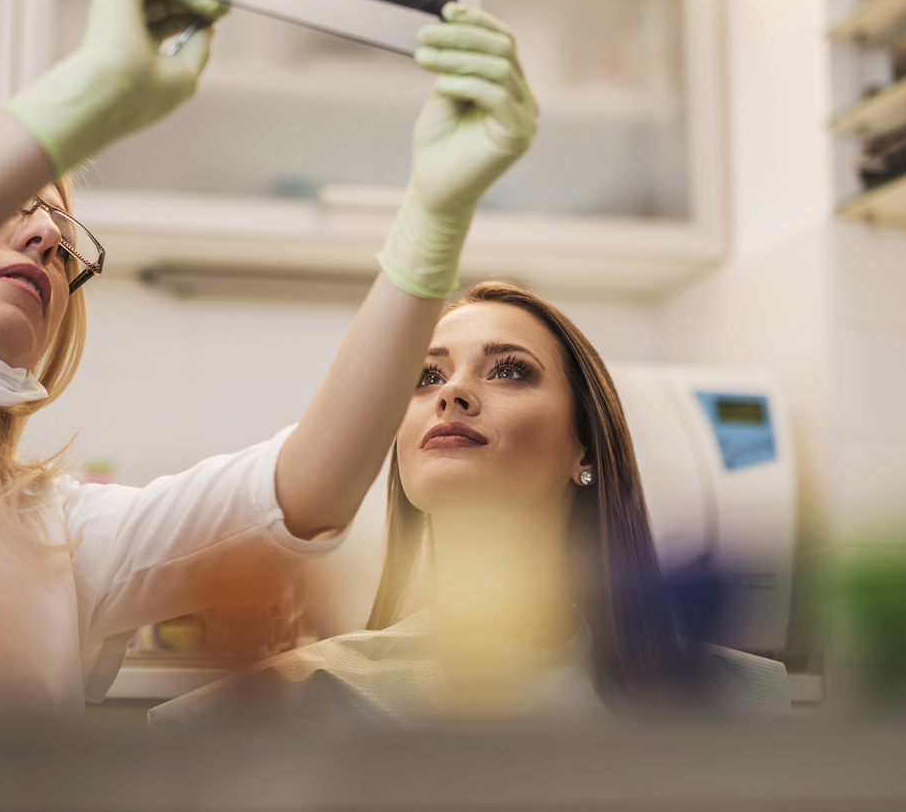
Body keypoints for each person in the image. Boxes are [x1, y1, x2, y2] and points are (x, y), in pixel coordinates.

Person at [0, 0, 539, 795]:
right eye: (6, 208)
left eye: (63, 236)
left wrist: (433, 213)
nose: (47, 238)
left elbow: (302, 493)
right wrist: (83, 98)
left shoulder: (52, 536)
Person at [152, 282, 791, 729]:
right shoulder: (301, 702)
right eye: (427, 377)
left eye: (509, 370)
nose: (452, 392)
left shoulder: (736, 701)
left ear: (585, 448)